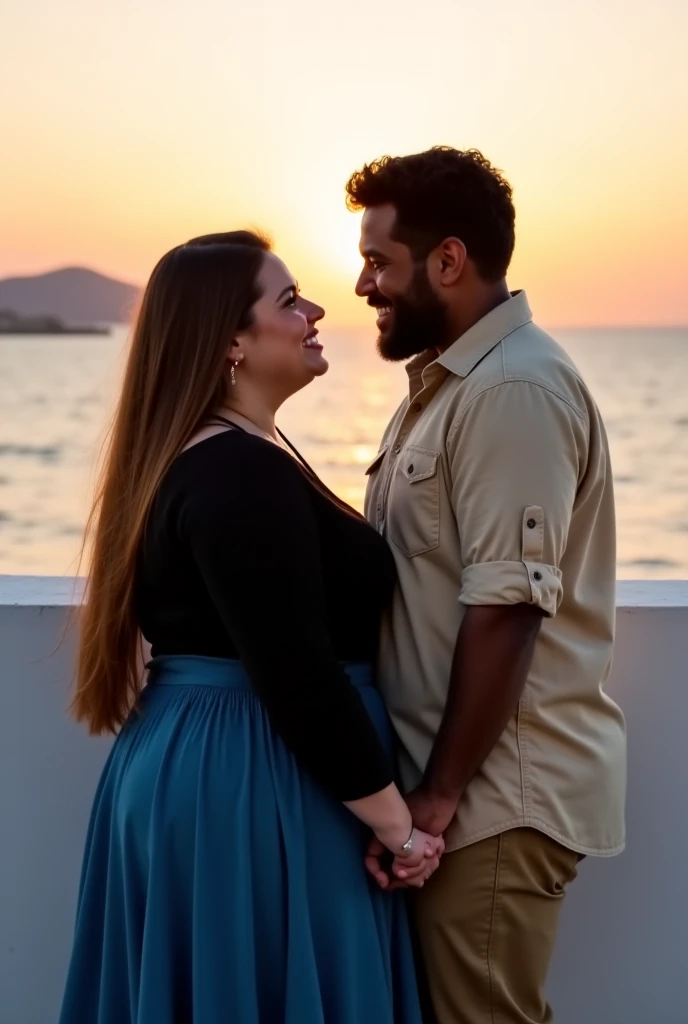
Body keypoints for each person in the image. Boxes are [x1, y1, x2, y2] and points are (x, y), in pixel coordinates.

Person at [59, 230, 443, 1024]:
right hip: (256, 776)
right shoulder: (237, 472)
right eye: (289, 299)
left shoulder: (221, 454)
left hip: (214, 763)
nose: (315, 310)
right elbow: (296, 674)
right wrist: (400, 829)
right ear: (231, 339)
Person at [346, 148, 627, 1024]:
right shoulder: (444, 387)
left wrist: (434, 801)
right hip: (455, 803)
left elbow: (507, 608)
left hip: (492, 804)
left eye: (379, 261)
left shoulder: (512, 390)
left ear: (450, 261)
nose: (362, 284)